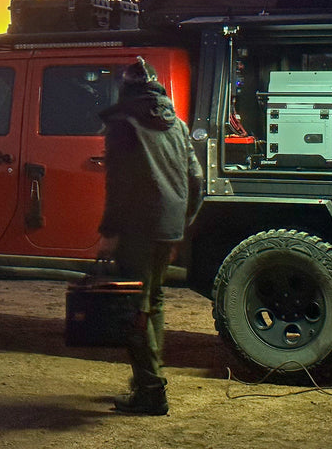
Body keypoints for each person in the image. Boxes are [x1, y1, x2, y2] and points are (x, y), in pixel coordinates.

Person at [96, 56, 203, 416]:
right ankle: (149, 377)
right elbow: (196, 179)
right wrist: (182, 221)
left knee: (132, 308)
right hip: (168, 225)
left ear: (126, 90)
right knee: (153, 301)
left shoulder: (122, 123)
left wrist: (109, 232)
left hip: (137, 228)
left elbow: (118, 185)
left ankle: (150, 391)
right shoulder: (178, 125)